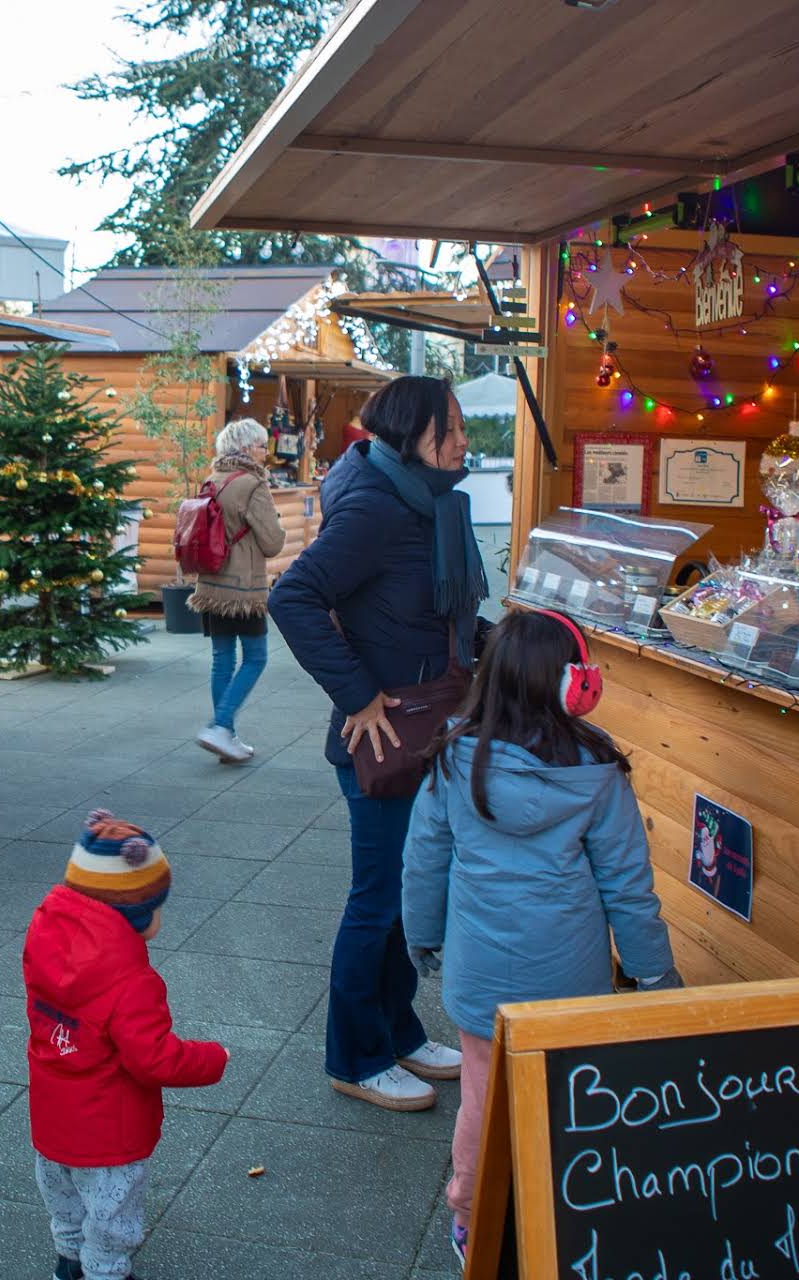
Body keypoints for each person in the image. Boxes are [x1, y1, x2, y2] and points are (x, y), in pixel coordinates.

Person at [402, 610, 681, 1269]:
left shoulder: (451, 754)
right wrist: (654, 973)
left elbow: (424, 859)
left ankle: (471, 1212)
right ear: (576, 685)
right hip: (570, 972)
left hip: (479, 969)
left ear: (489, 678)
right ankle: (563, 1210)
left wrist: (423, 936)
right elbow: (627, 885)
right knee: (566, 1093)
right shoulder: (599, 769)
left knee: (481, 1089)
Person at [268, 375, 488, 1112]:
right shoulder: (375, 509)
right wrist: (357, 694)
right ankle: (354, 1057)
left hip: (430, 728)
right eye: (450, 429)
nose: (463, 442)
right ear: (410, 435)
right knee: (378, 900)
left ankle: (398, 1030)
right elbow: (291, 597)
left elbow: (435, 617)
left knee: (408, 892)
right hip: (387, 740)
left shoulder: (423, 504)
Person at [24, 809, 229, 1280]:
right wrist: (213, 1058)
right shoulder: (132, 982)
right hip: (110, 1131)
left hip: (53, 1118)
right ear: (135, 914)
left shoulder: (44, 942)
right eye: (156, 907)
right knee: (113, 1215)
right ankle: (105, 1273)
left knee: (67, 1201)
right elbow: (154, 1058)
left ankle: (68, 1263)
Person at [191, 418, 286, 764]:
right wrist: (278, 522)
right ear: (246, 448)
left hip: (210, 584)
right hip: (243, 589)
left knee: (222, 659)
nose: (266, 452)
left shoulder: (211, 479)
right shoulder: (251, 484)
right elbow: (273, 542)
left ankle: (225, 737)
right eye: (262, 445)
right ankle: (219, 725)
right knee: (257, 658)